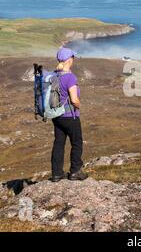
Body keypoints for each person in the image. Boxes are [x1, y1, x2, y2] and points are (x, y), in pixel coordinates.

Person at [50, 47, 88, 182]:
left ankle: (56, 174)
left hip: (56, 116)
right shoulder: (70, 77)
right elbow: (74, 100)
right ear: (69, 60)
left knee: (59, 143)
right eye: (73, 57)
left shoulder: (53, 76)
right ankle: (75, 172)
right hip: (70, 116)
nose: (73, 60)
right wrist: (79, 106)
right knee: (77, 143)